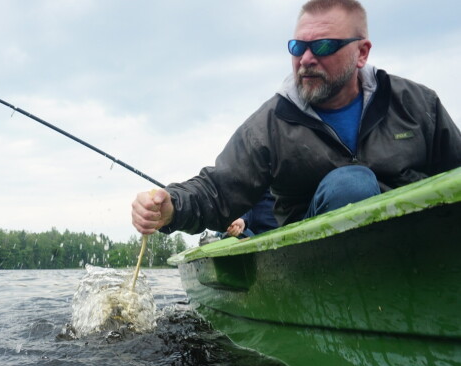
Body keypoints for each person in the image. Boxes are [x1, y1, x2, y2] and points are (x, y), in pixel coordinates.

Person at [132, 0, 461, 237]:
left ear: (362, 53)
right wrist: (172, 206)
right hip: (320, 264)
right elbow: (218, 190)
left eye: (323, 46)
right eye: (297, 46)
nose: (305, 59)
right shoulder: (271, 125)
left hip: (422, 243)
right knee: (351, 184)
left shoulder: (418, 104)